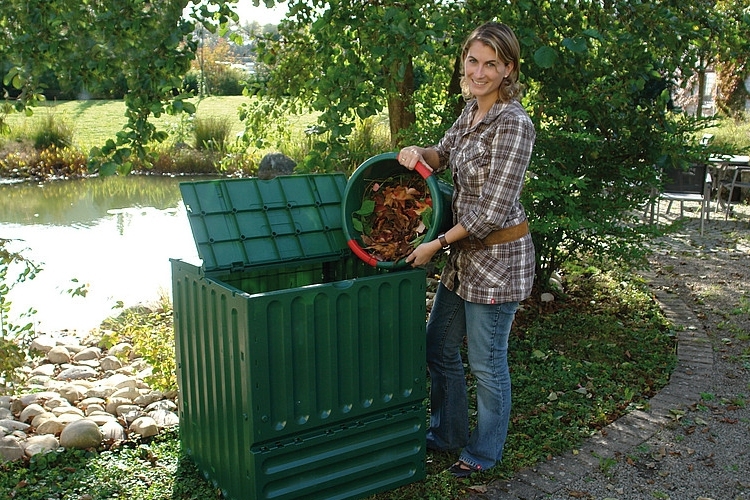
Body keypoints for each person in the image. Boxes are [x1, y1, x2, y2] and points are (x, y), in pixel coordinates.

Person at [397, 21, 536, 478]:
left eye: (490, 64)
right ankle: (446, 433)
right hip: (464, 260)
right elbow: (444, 153)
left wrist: (434, 244)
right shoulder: (472, 111)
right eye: (473, 61)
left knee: (487, 364)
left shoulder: (514, 124)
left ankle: (484, 451)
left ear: (508, 69)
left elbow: (491, 212)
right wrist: (419, 152)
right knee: (437, 347)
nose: (479, 71)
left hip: (497, 263)